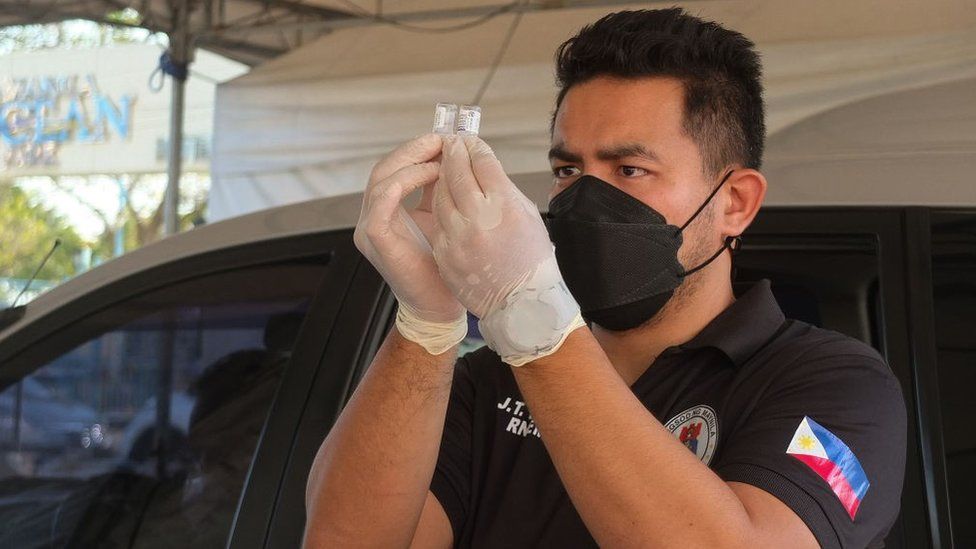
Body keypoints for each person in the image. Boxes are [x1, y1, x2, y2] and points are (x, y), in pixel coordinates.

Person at [304, 8, 907, 548]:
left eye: (630, 168)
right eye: (568, 169)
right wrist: (427, 322)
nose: (587, 198)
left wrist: (533, 320)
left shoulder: (836, 386)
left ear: (735, 203)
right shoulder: (486, 380)